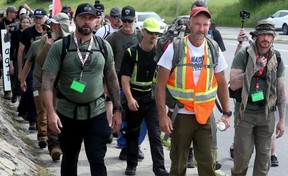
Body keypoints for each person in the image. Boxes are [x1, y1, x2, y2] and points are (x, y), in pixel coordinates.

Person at [41, 3, 122, 176]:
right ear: (75, 20)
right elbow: (47, 83)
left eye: (91, 18)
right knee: (69, 160)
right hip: (67, 114)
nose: (87, 22)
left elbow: (112, 78)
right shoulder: (60, 46)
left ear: (96, 21)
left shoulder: (103, 46)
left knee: (97, 159)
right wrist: (51, 113)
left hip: (97, 112)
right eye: (83, 17)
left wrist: (117, 109)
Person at [155, 7, 230, 176]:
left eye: (205, 25)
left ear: (209, 26)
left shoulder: (213, 48)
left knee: (208, 164)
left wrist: (226, 113)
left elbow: (222, 82)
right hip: (180, 115)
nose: (201, 29)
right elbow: (160, 85)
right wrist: (162, 115)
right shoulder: (175, 48)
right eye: (197, 24)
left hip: (205, 116)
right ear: (190, 24)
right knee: (178, 165)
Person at [230, 19, 285, 175]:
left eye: (269, 35)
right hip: (245, 114)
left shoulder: (277, 58)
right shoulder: (244, 55)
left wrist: (281, 120)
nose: (265, 39)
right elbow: (233, 84)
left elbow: (281, 91)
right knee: (242, 158)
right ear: (256, 36)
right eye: (262, 35)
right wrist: (254, 69)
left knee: (264, 160)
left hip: (267, 115)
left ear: (273, 37)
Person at [120, 18, 169, 176]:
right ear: (143, 32)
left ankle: (160, 169)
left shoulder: (160, 53)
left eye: (156, 33)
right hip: (135, 97)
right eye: (150, 32)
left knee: (155, 135)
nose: (154, 36)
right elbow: (125, 79)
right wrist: (129, 99)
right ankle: (131, 165)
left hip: (152, 98)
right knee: (132, 132)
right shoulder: (131, 53)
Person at [21, 13, 71, 161]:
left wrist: (86, 88)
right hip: (47, 84)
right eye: (50, 26)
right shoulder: (42, 43)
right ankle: (52, 144)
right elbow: (39, 62)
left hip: (71, 83)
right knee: (47, 111)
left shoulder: (73, 41)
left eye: (55, 25)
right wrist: (22, 78)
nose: (51, 28)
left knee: (72, 111)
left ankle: (65, 143)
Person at [106, 5, 146, 161]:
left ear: (134, 20)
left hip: (139, 84)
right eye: (124, 21)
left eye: (130, 21)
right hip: (119, 84)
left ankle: (135, 145)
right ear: (120, 20)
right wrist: (106, 85)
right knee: (123, 118)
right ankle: (124, 147)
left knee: (141, 119)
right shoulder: (113, 38)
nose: (127, 24)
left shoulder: (140, 36)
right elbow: (106, 62)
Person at [17, 8, 46, 130]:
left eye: (40, 18)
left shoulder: (51, 33)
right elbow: (20, 52)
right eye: (36, 18)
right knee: (31, 91)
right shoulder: (28, 32)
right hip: (32, 65)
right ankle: (33, 120)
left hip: (48, 67)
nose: (38, 21)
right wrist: (20, 71)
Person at [9, 15, 30, 103]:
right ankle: (15, 93)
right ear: (20, 23)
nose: (25, 24)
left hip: (28, 57)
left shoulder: (30, 32)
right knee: (18, 76)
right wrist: (11, 63)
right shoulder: (15, 33)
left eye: (27, 22)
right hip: (17, 58)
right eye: (24, 22)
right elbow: (13, 48)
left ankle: (22, 97)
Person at [0, 6, 18, 100]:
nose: (15, 14)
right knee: (3, 69)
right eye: (14, 12)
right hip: (3, 49)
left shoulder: (16, 23)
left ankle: (10, 90)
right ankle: (6, 90)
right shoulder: (1, 23)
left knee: (10, 69)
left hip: (12, 49)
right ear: (9, 13)